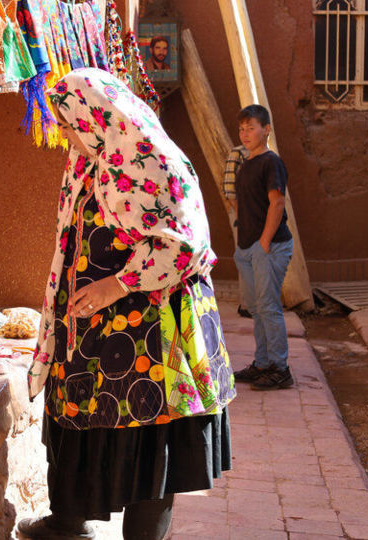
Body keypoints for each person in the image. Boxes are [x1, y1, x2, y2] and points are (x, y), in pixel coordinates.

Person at [17, 68, 236, 540]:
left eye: (69, 121)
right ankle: (66, 524)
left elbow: (186, 244)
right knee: (76, 422)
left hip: (152, 337)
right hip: (92, 337)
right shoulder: (90, 160)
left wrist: (116, 286)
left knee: (153, 434)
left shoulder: (153, 161)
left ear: (96, 114)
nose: (66, 134)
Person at [229, 105, 295, 390]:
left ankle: (280, 370)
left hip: (268, 246)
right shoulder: (246, 161)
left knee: (268, 307)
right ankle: (262, 363)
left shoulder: (271, 162)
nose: (245, 134)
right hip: (247, 247)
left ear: (266, 129)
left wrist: (264, 242)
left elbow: (277, 202)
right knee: (256, 308)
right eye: (242, 129)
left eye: (251, 128)